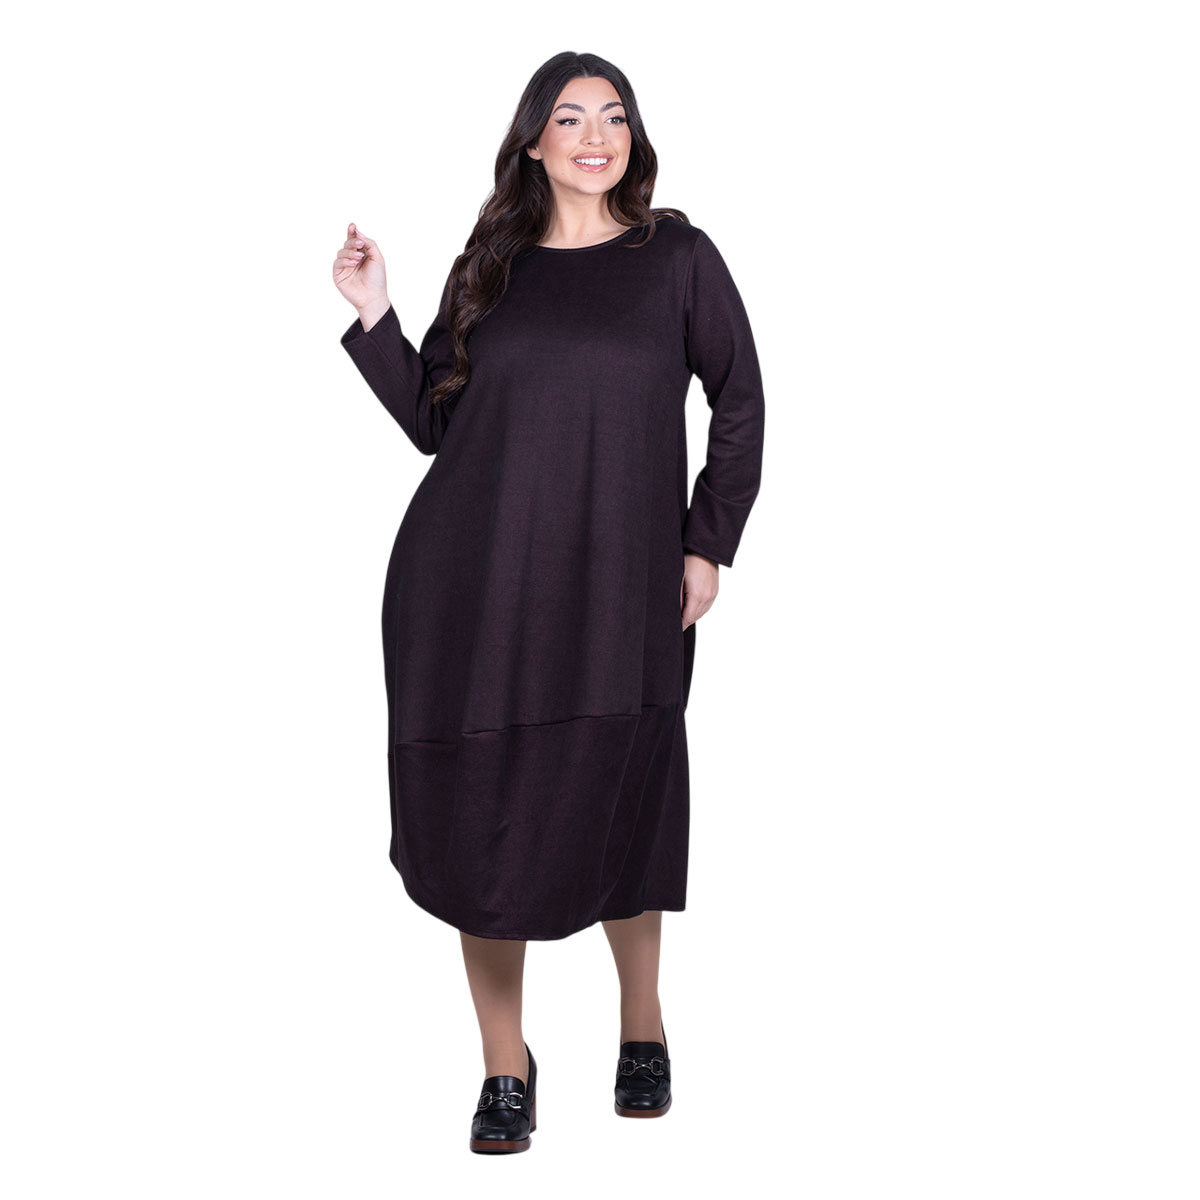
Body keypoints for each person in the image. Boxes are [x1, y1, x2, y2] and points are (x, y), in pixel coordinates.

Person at [331, 51, 765, 1154]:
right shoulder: (493, 266)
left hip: (623, 590)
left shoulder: (678, 258)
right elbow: (436, 425)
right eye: (569, 118)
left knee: (625, 800)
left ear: (633, 137)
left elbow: (741, 400)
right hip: (475, 590)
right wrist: (376, 315)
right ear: (533, 141)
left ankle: (642, 1025)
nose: (594, 136)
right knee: (481, 815)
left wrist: (707, 541)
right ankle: (504, 1066)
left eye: (613, 116)